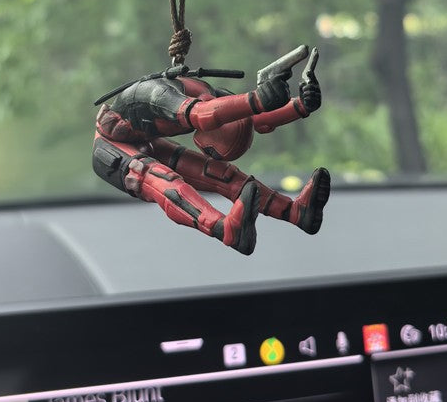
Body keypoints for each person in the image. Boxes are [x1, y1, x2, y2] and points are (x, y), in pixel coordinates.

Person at [92, 48, 330, 255]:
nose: (208, 153)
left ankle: (296, 213)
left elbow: (251, 118)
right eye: (211, 150)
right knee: (158, 178)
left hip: (146, 138)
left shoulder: (210, 95)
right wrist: (259, 98)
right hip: (111, 144)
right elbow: (202, 114)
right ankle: (225, 230)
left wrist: (300, 105)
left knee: (222, 175)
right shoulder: (159, 95)